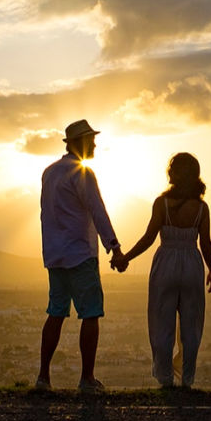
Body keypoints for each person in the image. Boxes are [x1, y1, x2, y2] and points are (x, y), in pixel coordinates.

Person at [36, 119, 127, 392]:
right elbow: (97, 210)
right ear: (81, 142)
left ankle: (43, 378)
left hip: (55, 255)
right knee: (90, 314)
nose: (95, 144)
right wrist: (115, 247)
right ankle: (87, 378)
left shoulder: (49, 173)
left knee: (55, 313)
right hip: (80, 254)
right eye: (91, 139)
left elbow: (46, 213)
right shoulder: (82, 172)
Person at [118, 152, 211, 389]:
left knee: (162, 322)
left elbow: (149, 237)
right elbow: (205, 242)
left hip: (165, 263)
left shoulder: (161, 204)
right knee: (191, 325)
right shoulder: (202, 207)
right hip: (192, 264)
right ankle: (188, 378)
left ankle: (165, 379)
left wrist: (126, 257)